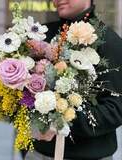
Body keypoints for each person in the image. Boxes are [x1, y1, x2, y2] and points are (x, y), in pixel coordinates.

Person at [25, 0, 122, 160]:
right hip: (38, 153)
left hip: (88, 156)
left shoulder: (109, 41)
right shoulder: (43, 35)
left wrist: (60, 121)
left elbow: (115, 109)